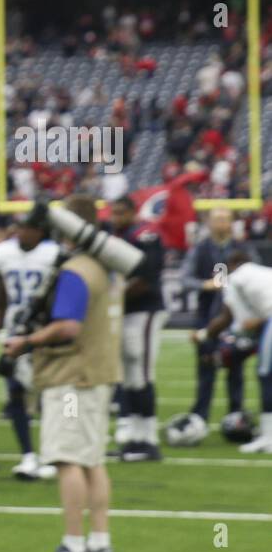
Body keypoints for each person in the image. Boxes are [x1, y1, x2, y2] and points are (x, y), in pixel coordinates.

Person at [10, 194, 124, 552]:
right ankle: (100, 543)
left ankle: (74, 546)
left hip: (72, 378)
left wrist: (27, 341)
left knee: (68, 459)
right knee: (92, 460)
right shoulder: (100, 265)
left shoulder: (76, 269)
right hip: (95, 373)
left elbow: (68, 326)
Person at [0, 206, 60, 481]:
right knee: (15, 393)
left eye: (26, 227)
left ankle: (52, 453)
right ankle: (28, 454)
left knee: (53, 396)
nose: (20, 232)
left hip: (45, 333)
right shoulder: (5, 253)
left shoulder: (54, 254)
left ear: (40, 230)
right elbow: (1, 301)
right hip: (16, 332)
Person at [196, 250, 272, 453]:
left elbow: (230, 320)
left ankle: (268, 437)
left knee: (266, 375)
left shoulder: (235, 278)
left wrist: (203, 335)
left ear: (232, 264)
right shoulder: (263, 273)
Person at [109, 195, 165, 460]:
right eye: (114, 213)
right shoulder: (117, 236)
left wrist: (113, 299)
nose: (116, 217)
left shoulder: (145, 235)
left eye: (121, 213)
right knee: (131, 377)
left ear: (132, 212)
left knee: (141, 373)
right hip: (128, 310)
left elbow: (147, 278)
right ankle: (135, 438)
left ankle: (149, 440)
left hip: (145, 309)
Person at [179, 207, 241, 429]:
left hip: (235, 317)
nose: (221, 223)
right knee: (206, 367)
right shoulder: (200, 249)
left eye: (225, 219)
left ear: (231, 223)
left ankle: (237, 416)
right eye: (217, 219)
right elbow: (184, 278)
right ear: (209, 223)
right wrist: (206, 284)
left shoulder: (240, 248)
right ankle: (200, 417)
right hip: (206, 316)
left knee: (235, 367)